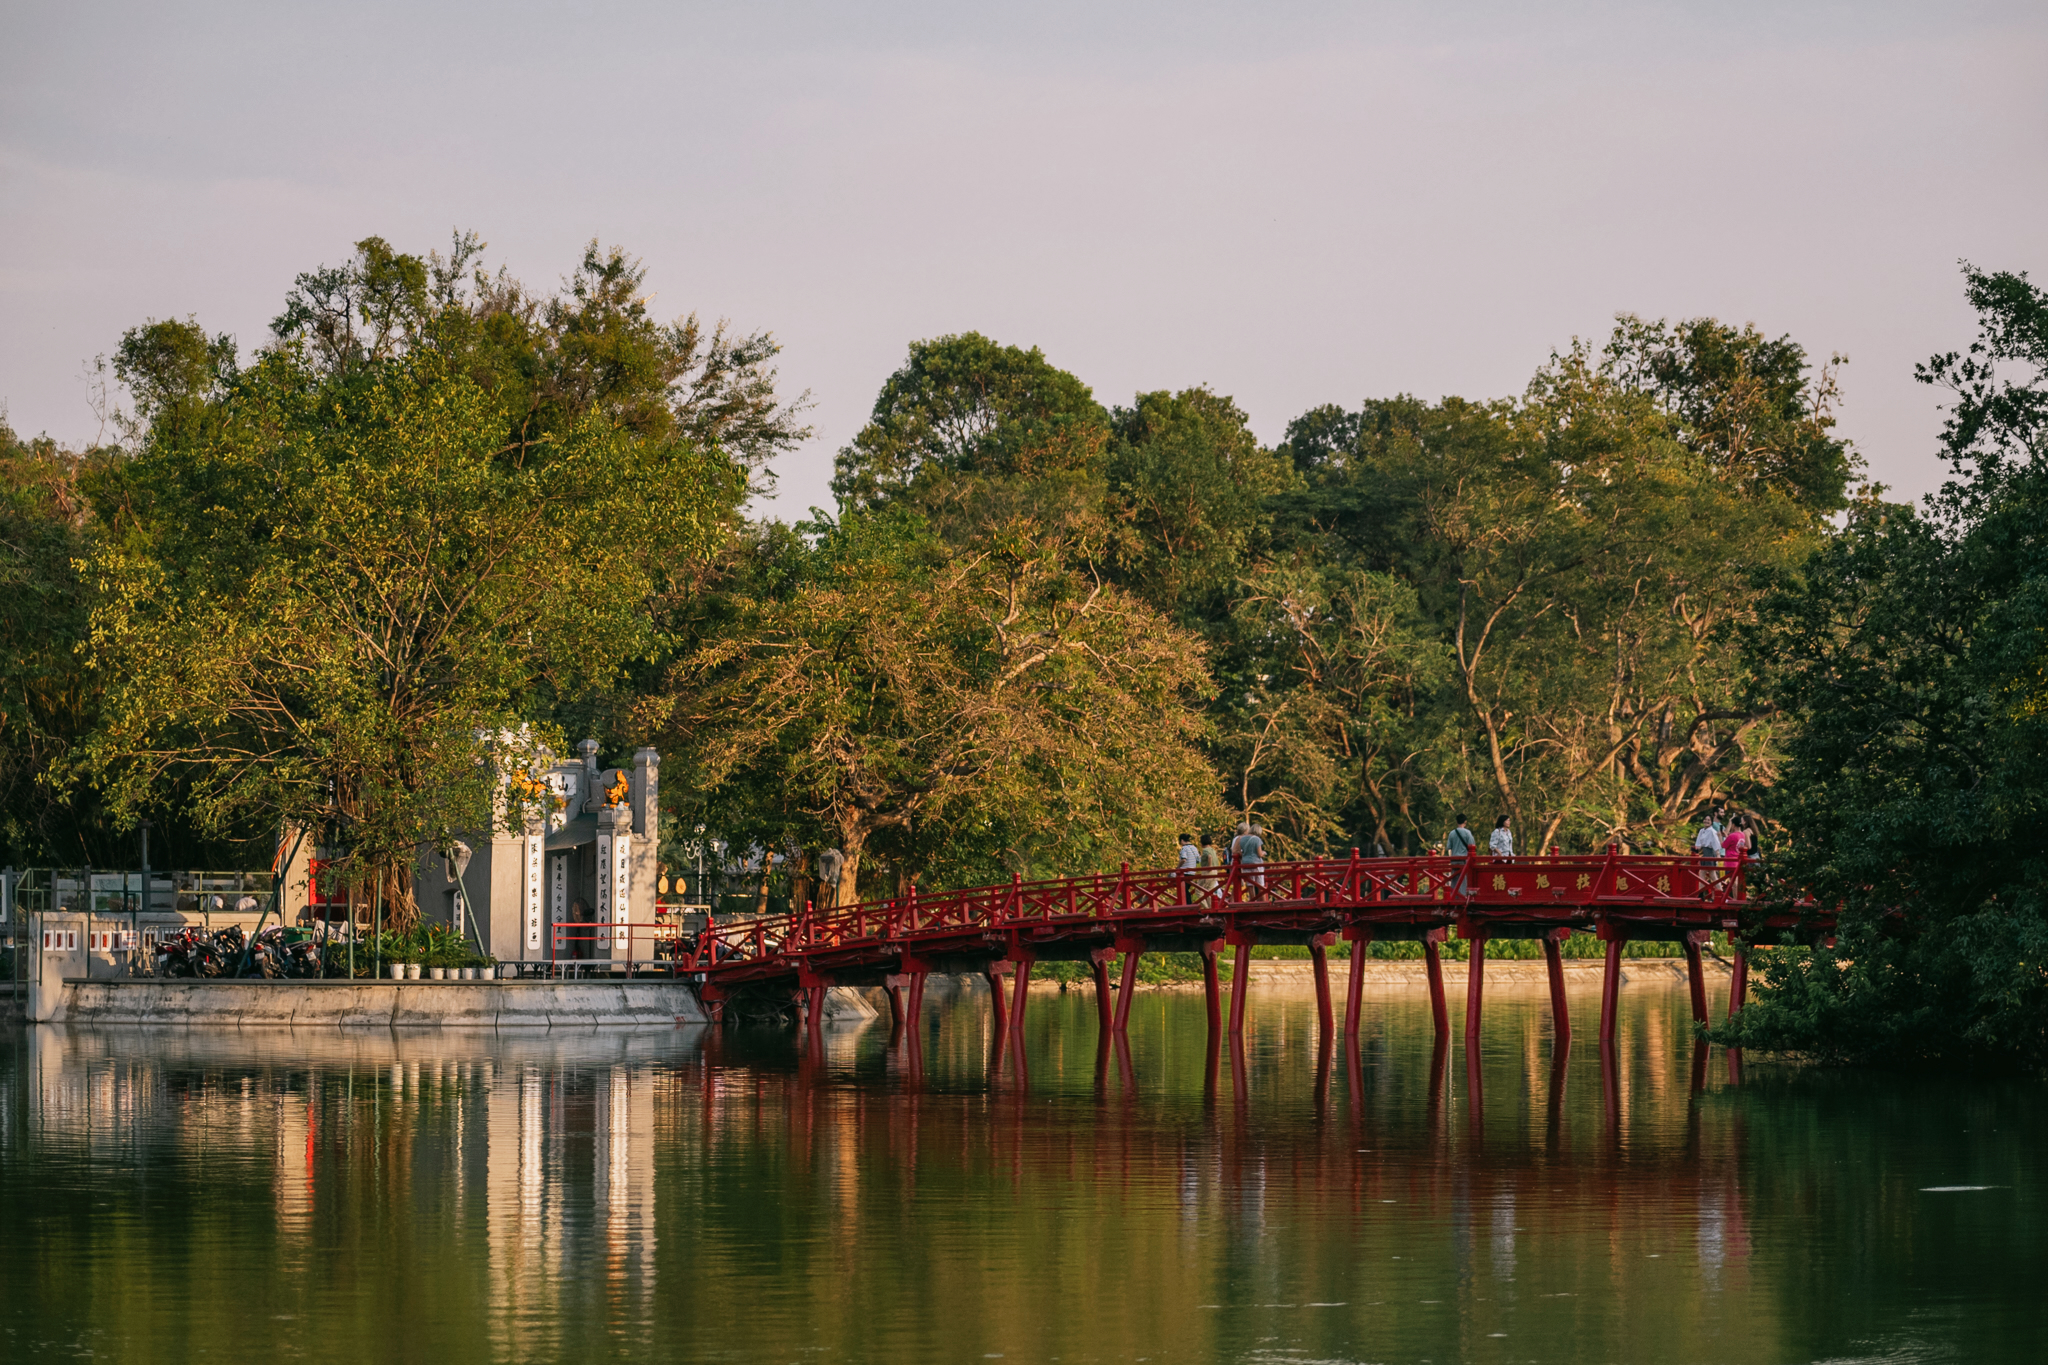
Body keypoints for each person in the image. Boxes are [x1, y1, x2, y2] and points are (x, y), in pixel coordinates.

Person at [1233, 821, 1267, 897]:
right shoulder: (1257, 839)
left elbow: (1239, 851)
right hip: (1256, 864)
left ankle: (1253, 901)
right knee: (1260, 884)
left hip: (1245, 863)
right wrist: (1264, 853)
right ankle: (1263, 902)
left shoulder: (1242, 839)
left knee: (1250, 884)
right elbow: (1259, 854)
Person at [1693, 813, 1724, 886]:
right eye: (1705, 819)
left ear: (1711, 822)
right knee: (1705, 874)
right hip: (1704, 853)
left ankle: (1719, 892)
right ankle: (1701, 894)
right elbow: (1698, 844)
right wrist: (1696, 850)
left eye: (1709, 820)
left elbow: (1716, 843)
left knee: (1710, 874)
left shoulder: (1712, 831)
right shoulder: (1701, 830)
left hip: (1710, 853)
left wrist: (1718, 854)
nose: (1707, 821)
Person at [1196, 834, 1224, 901]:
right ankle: (1210, 907)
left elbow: (1209, 857)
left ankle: (1206, 907)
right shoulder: (1213, 850)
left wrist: (1209, 867)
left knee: (1198, 891)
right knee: (1208, 892)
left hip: (1208, 872)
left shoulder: (1206, 850)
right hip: (1215, 872)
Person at [1177, 833, 1201, 902]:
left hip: (1185, 872)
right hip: (1192, 872)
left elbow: (1183, 859)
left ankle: (1188, 904)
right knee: (1185, 889)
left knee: (1183, 889)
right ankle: (1188, 903)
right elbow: (1198, 860)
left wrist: (1178, 867)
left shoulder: (1184, 848)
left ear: (1181, 840)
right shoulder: (1194, 848)